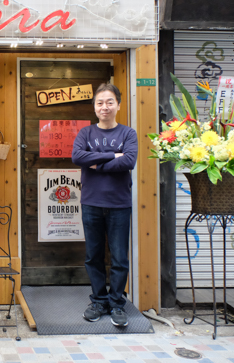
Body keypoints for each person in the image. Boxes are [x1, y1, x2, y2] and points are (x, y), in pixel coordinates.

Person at [71, 83, 138, 327]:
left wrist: (95, 163)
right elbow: (78, 157)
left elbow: (129, 161)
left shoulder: (128, 134)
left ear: (118, 105)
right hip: (91, 203)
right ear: (95, 107)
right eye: (100, 103)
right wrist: (112, 156)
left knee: (120, 257)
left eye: (110, 102)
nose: (105, 107)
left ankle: (117, 303)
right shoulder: (86, 134)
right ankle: (99, 301)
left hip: (119, 204)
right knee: (93, 256)